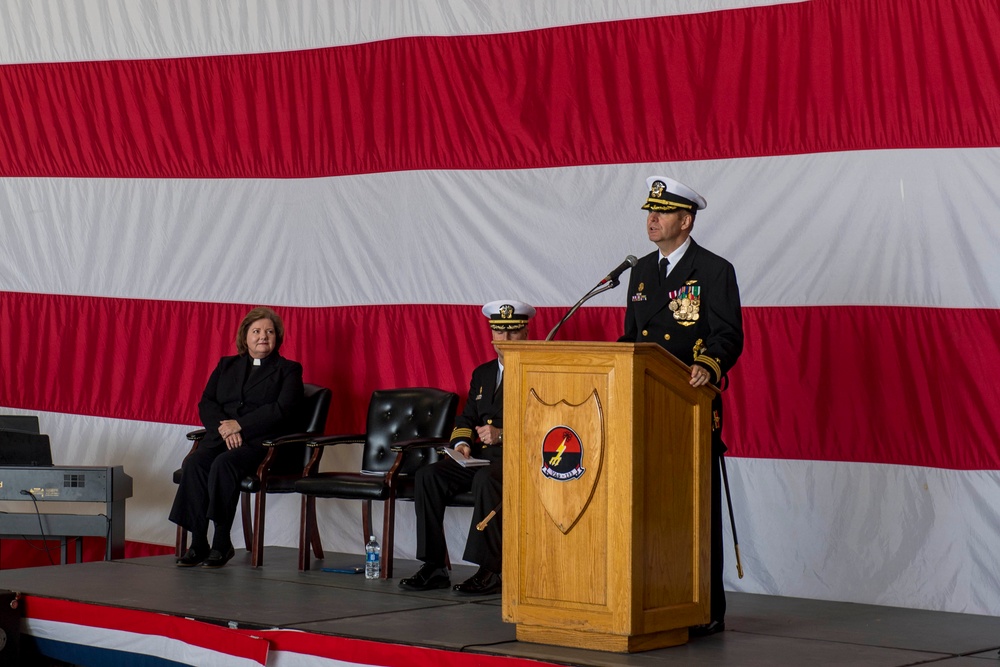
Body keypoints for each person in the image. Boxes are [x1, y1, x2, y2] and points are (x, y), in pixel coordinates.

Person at [619, 176, 744, 636]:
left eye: (662, 212)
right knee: (648, 504)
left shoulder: (713, 270)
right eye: (649, 212)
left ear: (685, 220)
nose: (651, 220)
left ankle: (705, 608)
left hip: (687, 401)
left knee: (693, 507)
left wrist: (709, 365)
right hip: (643, 403)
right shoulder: (638, 272)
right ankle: (657, 601)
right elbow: (633, 338)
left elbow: (727, 334)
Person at [399, 299, 535, 595]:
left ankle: (490, 570)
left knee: (487, 480)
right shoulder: (483, 373)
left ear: (526, 333)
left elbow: (549, 425)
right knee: (429, 475)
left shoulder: (541, 370)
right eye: (500, 332)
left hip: (520, 459)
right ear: (491, 335)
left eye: (513, 332)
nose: (506, 339)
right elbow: (467, 417)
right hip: (481, 458)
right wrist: (461, 443)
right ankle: (434, 565)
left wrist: (502, 435)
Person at [170, 306, 304, 568]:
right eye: (256, 331)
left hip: (262, 444)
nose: (263, 336)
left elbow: (283, 410)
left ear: (277, 337)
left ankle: (221, 542)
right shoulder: (226, 365)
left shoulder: (288, 370)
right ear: (245, 336)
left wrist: (240, 425)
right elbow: (206, 402)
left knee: (224, 464)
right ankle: (198, 543)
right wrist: (224, 428)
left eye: (269, 331)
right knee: (195, 464)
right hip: (222, 438)